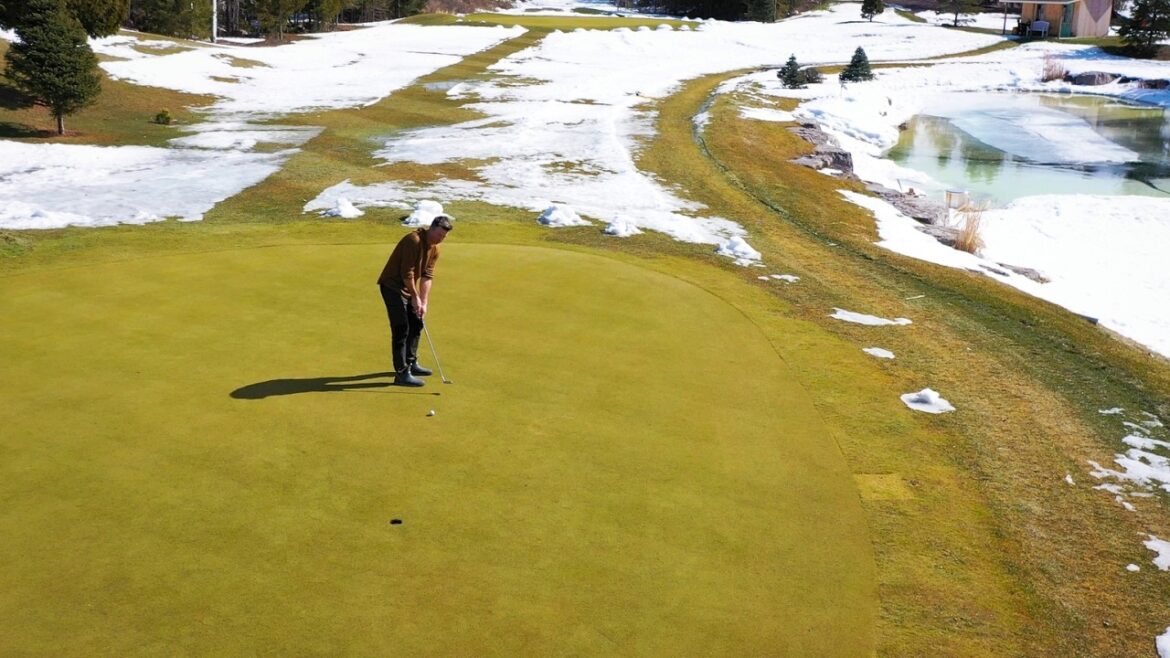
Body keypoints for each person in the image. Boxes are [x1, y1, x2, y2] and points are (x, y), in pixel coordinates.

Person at [377, 215, 453, 386]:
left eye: (444, 237)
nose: (441, 239)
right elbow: (407, 274)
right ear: (431, 228)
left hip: (407, 287)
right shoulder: (414, 240)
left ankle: (410, 362)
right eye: (439, 235)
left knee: (417, 322)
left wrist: (423, 302)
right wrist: (415, 297)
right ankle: (401, 373)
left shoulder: (435, 248)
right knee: (401, 328)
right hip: (392, 287)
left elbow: (427, 276)